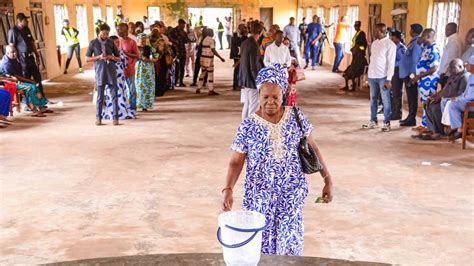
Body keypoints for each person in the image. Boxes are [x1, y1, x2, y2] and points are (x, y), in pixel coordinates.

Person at [221, 63, 333, 256]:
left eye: (276, 97)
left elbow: (313, 148)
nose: (270, 102)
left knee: (289, 243)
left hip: (291, 194)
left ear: (284, 95)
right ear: (259, 95)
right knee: (259, 245)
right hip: (259, 197)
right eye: (265, 97)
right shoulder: (248, 125)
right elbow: (236, 161)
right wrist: (228, 189)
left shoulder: (295, 116)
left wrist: (327, 179)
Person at [415, 58, 469, 140]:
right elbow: (444, 90)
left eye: (453, 68)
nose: (451, 70)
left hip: (452, 101)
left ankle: (439, 133)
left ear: (460, 66)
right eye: (450, 68)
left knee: (435, 108)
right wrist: (433, 97)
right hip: (445, 99)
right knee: (429, 105)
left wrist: (443, 98)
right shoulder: (454, 75)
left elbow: (461, 94)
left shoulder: (464, 77)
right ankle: (432, 130)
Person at [362, 23, 396, 132]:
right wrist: (368, 75)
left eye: (375, 30)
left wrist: (389, 79)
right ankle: (373, 121)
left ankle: (387, 123)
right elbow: (372, 60)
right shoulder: (374, 43)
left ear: (382, 31)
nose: (373, 32)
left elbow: (391, 63)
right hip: (372, 76)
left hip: (383, 77)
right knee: (373, 100)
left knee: (386, 100)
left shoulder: (390, 45)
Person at [86, 23, 120, 126]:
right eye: (104, 33)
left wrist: (111, 57)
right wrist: (99, 57)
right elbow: (87, 58)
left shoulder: (111, 43)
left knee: (114, 96)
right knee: (100, 97)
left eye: (107, 34)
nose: (105, 36)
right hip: (100, 72)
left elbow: (119, 58)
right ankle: (98, 118)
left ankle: (115, 118)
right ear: (99, 32)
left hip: (111, 72)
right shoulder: (93, 43)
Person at [1, 45, 49, 117]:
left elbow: (18, 75)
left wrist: (29, 81)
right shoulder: (6, 63)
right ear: (7, 53)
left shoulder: (14, 58)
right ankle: (34, 110)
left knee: (35, 86)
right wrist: (30, 81)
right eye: (12, 52)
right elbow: (15, 77)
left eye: (15, 52)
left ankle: (41, 107)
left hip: (16, 80)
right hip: (9, 83)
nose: (15, 54)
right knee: (30, 88)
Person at [8, 12, 46, 101]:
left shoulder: (26, 29)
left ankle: (42, 98)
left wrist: (37, 54)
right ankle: (28, 102)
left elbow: (32, 43)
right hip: (21, 59)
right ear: (20, 21)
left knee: (37, 77)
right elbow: (11, 46)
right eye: (25, 20)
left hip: (30, 57)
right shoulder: (13, 31)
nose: (27, 21)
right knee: (26, 80)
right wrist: (15, 60)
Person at [411, 29, 441, 130]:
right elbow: (419, 43)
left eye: (423, 36)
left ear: (428, 37)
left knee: (428, 103)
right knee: (424, 102)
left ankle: (428, 127)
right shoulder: (426, 46)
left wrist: (418, 76)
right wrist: (420, 41)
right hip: (423, 80)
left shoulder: (434, 49)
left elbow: (434, 68)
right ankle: (424, 125)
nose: (421, 37)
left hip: (429, 81)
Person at [102, 36, 135, 120]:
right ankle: (112, 112)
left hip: (120, 78)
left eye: (118, 42)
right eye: (115, 42)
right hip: (110, 77)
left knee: (121, 93)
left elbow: (125, 63)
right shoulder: (105, 53)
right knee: (110, 94)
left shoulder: (121, 52)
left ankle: (122, 111)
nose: (118, 43)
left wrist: (114, 58)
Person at [399, 23, 424, 127]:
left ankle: (411, 119)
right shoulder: (414, 41)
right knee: (410, 97)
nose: (409, 31)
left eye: (410, 29)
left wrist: (412, 77)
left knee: (412, 97)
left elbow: (415, 61)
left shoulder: (417, 43)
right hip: (408, 73)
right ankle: (410, 117)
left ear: (413, 31)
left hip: (411, 75)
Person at [239, 21, 264, 120]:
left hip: (245, 78)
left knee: (247, 104)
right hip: (252, 79)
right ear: (261, 32)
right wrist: (258, 81)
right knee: (254, 106)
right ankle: (250, 129)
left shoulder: (245, 42)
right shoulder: (254, 45)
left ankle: (244, 126)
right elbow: (253, 66)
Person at [446, 55, 474, 141]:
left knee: (453, 105)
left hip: (471, 104)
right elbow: (465, 93)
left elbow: (472, 96)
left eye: (468, 64)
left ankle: (459, 129)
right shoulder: (471, 76)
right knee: (449, 101)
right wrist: (458, 97)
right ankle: (455, 128)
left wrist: (458, 99)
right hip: (467, 101)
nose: (466, 65)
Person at [196, 29, 225, 96]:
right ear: (210, 33)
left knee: (202, 73)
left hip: (202, 58)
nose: (213, 33)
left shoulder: (203, 39)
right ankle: (211, 90)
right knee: (210, 75)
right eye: (212, 32)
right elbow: (213, 50)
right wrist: (220, 58)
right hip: (208, 60)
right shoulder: (211, 40)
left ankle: (198, 88)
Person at [340, 21, 368, 91]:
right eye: (355, 26)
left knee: (353, 71)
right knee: (348, 71)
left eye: (356, 26)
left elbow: (361, 44)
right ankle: (347, 86)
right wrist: (353, 50)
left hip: (359, 56)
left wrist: (356, 49)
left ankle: (354, 85)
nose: (355, 27)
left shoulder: (361, 34)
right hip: (355, 55)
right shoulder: (357, 33)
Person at [118, 23, 139, 113]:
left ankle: (133, 108)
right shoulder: (117, 41)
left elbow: (137, 55)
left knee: (132, 90)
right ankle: (124, 108)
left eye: (120, 29)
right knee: (122, 90)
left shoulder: (132, 42)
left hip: (129, 69)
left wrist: (127, 54)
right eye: (117, 29)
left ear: (125, 30)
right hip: (119, 70)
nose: (118, 31)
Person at [135, 33, 157, 111]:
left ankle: (146, 105)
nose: (143, 42)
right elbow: (133, 57)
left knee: (148, 86)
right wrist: (140, 58)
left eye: (145, 40)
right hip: (139, 69)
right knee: (139, 86)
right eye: (142, 40)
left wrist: (148, 60)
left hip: (149, 69)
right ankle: (137, 104)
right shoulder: (135, 48)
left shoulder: (151, 48)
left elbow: (156, 58)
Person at [390, 30, 406, 121]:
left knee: (397, 92)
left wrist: (393, 63)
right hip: (393, 70)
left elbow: (402, 61)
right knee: (394, 92)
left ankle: (397, 113)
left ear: (397, 39)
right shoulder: (394, 47)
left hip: (398, 71)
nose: (391, 39)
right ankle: (394, 111)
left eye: (393, 37)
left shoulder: (401, 48)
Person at [169, 19, 190, 87]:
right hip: (175, 52)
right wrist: (175, 41)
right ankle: (174, 82)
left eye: (184, 25)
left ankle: (181, 81)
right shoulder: (172, 30)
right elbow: (169, 38)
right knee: (176, 67)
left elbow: (187, 41)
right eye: (182, 24)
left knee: (182, 67)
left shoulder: (183, 32)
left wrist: (183, 35)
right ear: (179, 24)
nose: (184, 26)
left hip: (182, 51)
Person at [230, 24, 248, 91]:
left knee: (241, 70)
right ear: (239, 28)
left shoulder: (243, 35)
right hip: (237, 54)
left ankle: (240, 84)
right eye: (243, 28)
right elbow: (238, 43)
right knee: (237, 70)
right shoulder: (235, 35)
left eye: (244, 28)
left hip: (241, 54)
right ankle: (235, 85)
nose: (244, 29)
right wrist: (244, 36)